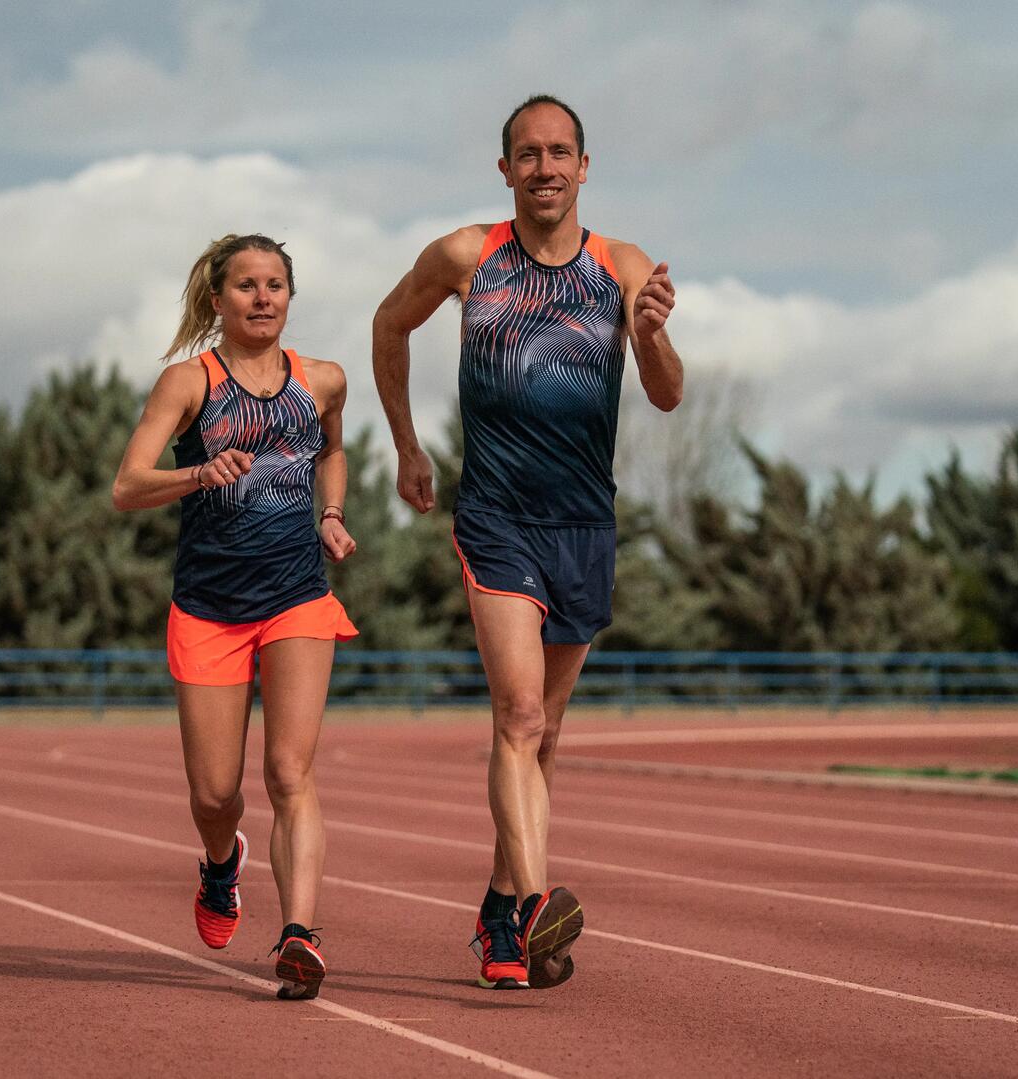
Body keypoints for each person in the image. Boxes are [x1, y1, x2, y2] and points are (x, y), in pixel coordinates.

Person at [372, 94, 685, 990]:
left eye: (560, 153)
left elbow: (665, 394)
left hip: (585, 524)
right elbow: (390, 324)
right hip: (498, 519)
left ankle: (501, 913)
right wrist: (405, 443)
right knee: (517, 715)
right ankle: (539, 906)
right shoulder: (467, 256)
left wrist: (653, 334)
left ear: (584, 167)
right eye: (527, 154)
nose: (545, 168)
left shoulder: (619, 265)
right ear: (504, 169)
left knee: (541, 738)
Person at [113, 233, 359, 1001]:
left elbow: (331, 454)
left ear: (291, 295)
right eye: (247, 285)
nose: (262, 297)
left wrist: (332, 512)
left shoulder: (323, 380)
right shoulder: (190, 383)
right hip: (210, 608)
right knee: (216, 793)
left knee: (291, 770)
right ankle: (222, 865)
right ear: (218, 299)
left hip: (296, 596)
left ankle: (299, 934)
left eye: (275, 284)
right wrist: (197, 472)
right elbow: (127, 485)